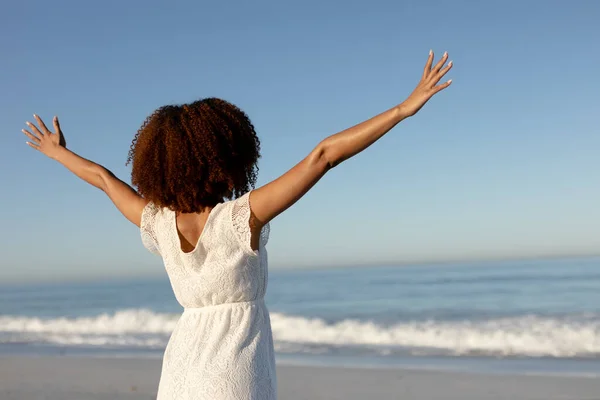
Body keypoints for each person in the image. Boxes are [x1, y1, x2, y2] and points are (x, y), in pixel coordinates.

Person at [21, 50, 452, 400]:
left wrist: (57, 153)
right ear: (226, 156)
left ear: (158, 166)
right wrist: (402, 109)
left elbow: (102, 179)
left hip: (183, 366)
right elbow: (323, 155)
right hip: (235, 368)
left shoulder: (156, 222)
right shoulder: (240, 217)